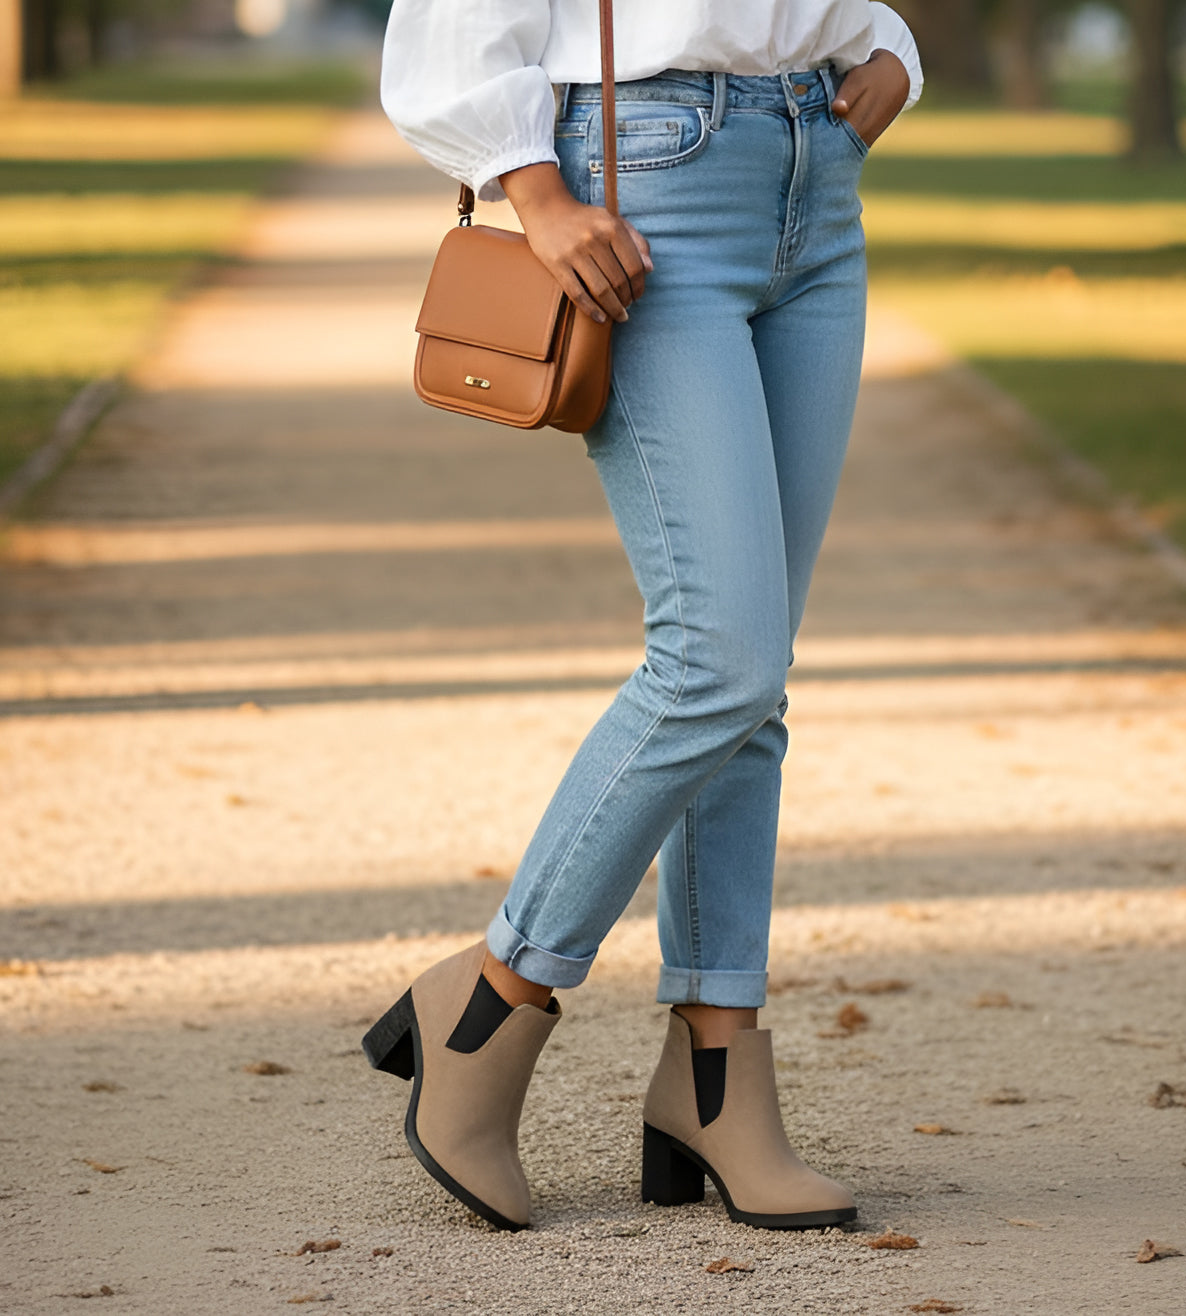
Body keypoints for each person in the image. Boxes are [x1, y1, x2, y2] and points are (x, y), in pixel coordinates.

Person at [364, 0, 924, 1232]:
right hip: (643, 183)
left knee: (754, 675)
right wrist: (532, 190)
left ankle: (713, 1075)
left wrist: (890, 49)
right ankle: (487, 1000)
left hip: (816, 171)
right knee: (716, 656)